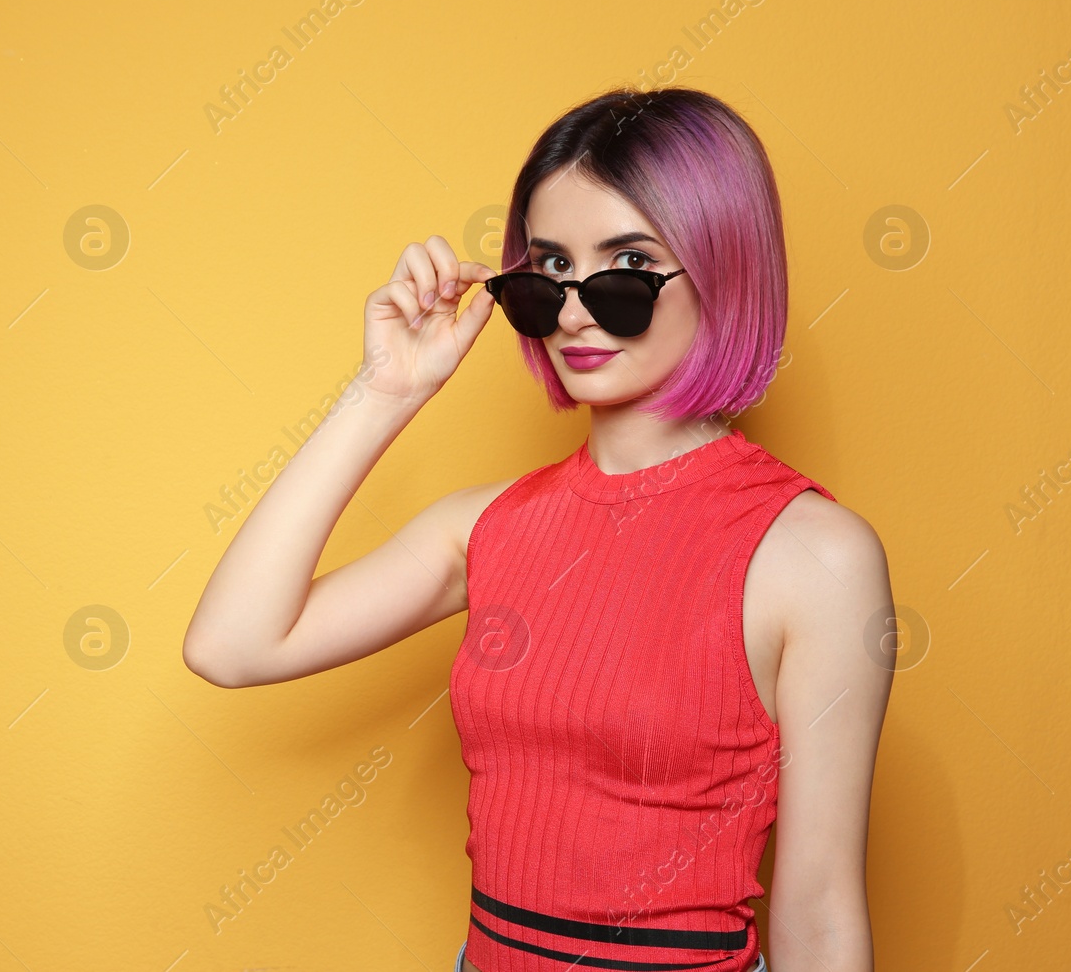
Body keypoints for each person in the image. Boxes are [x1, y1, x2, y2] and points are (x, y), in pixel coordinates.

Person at [183, 87, 893, 972]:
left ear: (725, 268)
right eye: (549, 270)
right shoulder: (487, 528)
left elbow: (821, 906)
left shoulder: (814, 555)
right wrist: (385, 393)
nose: (576, 308)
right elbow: (233, 645)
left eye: (627, 264)